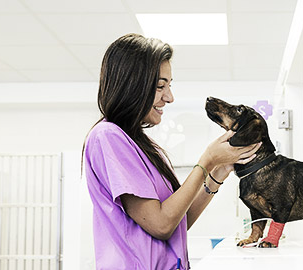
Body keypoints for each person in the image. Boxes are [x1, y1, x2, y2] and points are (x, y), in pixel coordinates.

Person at [83, 33, 261, 270]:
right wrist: (206, 160)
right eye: (160, 86)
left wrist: (219, 171)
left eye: (169, 85)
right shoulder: (108, 137)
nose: (169, 97)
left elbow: (177, 222)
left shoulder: (137, 143)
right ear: (131, 85)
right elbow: (161, 224)